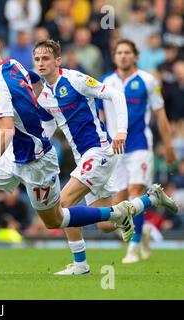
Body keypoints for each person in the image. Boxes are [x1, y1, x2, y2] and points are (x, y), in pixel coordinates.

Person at [0, 34, 177, 275]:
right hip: (19, 155)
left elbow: (5, 130)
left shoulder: (5, 84)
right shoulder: (15, 67)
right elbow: (33, 87)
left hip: (64, 157)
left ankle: (105, 234)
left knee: (56, 217)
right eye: (37, 58)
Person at [32, 39, 128, 275]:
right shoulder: (44, 96)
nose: (41, 63)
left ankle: (80, 264)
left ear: (58, 61)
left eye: (46, 58)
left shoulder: (75, 80)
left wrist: (121, 131)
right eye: (37, 59)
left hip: (99, 151)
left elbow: (116, 95)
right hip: (83, 157)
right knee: (105, 225)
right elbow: (47, 128)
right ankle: (141, 204)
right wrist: (31, 149)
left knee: (62, 205)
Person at [98, 39, 176, 264]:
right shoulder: (106, 82)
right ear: (114, 57)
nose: (123, 56)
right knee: (118, 209)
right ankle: (144, 231)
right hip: (115, 150)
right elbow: (100, 116)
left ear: (135, 56)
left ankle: (132, 247)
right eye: (119, 52)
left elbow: (160, 114)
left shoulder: (147, 81)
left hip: (140, 145)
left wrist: (168, 145)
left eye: (127, 52)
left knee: (135, 192)